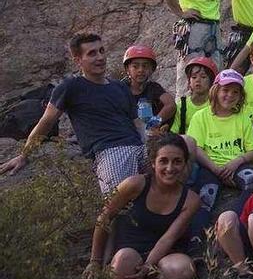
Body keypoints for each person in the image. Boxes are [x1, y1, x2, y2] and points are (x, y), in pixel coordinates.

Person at [0, 34, 145, 194]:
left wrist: (151, 144)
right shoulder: (71, 87)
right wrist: (24, 155)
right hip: (110, 151)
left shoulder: (120, 87)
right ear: (78, 60)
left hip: (139, 147)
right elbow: (46, 122)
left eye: (101, 51)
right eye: (92, 53)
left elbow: (137, 122)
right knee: (120, 206)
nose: (100, 57)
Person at [84, 134, 199, 279]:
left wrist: (147, 267)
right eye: (163, 161)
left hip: (162, 257)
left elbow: (169, 237)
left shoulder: (191, 200)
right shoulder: (134, 185)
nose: (170, 168)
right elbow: (104, 218)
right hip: (127, 254)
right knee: (125, 258)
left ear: (184, 164)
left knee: (182, 269)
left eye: (177, 161)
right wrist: (95, 261)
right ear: (153, 163)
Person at [184, 69, 253, 241]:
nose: (230, 95)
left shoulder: (242, 118)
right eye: (225, 90)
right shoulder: (201, 116)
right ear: (216, 90)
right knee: (204, 197)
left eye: (235, 92)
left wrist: (235, 163)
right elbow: (196, 148)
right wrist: (215, 168)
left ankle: (233, 218)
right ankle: (195, 242)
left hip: (236, 165)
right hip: (209, 166)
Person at [121, 45, 176, 132]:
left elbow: (170, 105)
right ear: (127, 69)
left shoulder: (153, 88)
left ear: (151, 69)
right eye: (135, 66)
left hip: (148, 132)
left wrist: (154, 123)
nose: (140, 70)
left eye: (145, 66)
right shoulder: (120, 88)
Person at [170, 56, 217, 135]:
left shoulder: (215, 104)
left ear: (211, 81)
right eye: (194, 77)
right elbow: (174, 132)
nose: (198, 80)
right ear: (189, 81)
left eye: (203, 77)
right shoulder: (182, 105)